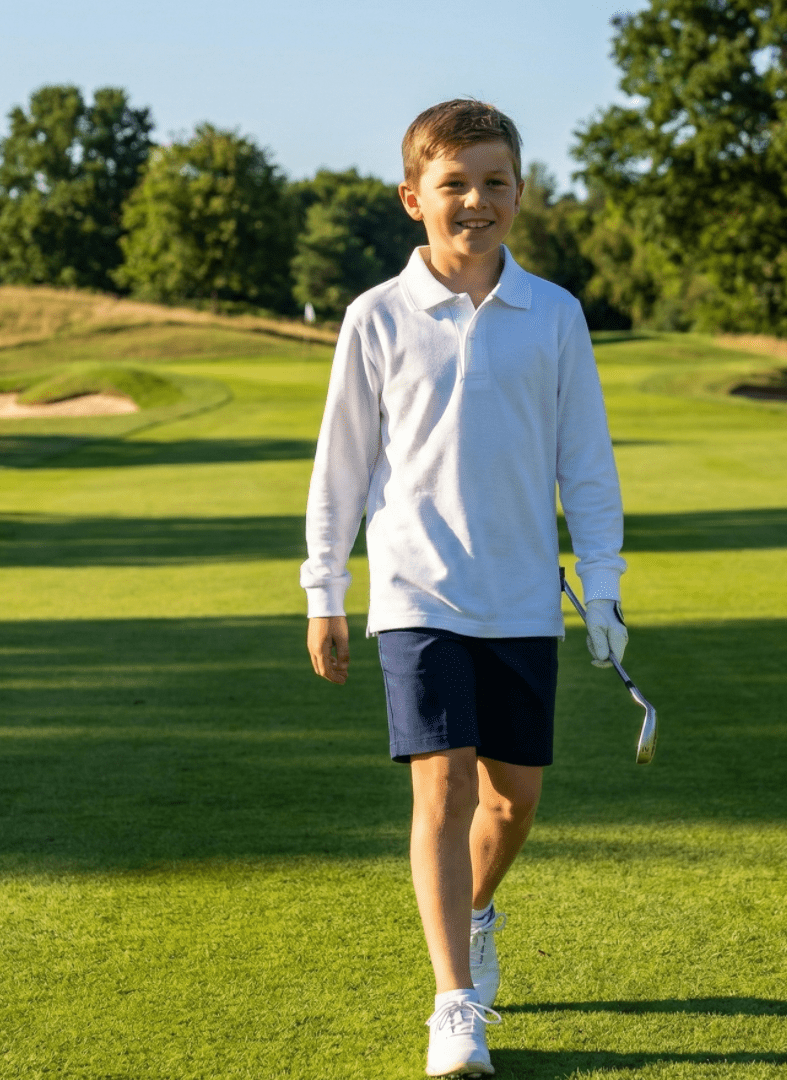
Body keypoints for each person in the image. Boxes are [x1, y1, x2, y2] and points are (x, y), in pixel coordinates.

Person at [301, 99, 627, 1077]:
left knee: (513, 802)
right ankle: (454, 1008)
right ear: (414, 197)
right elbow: (340, 467)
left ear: (519, 192)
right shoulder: (375, 316)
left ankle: (477, 910)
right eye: (454, 184)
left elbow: (587, 464)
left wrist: (603, 588)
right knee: (441, 788)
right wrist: (325, 590)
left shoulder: (556, 315)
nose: (475, 200)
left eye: (494, 182)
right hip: (417, 595)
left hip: (522, 597)